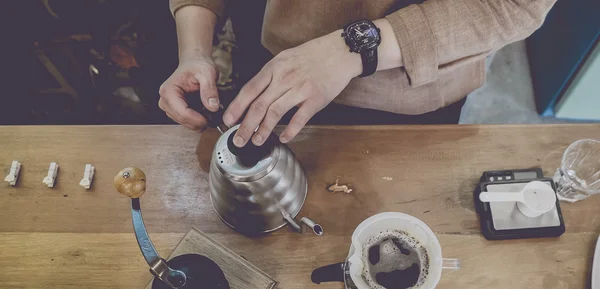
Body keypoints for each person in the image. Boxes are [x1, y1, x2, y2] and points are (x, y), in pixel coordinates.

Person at [159, 0, 556, 147]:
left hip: (401, 91)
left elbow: (513, 6)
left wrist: (352, 47)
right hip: (273, 53)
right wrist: (194, 45)